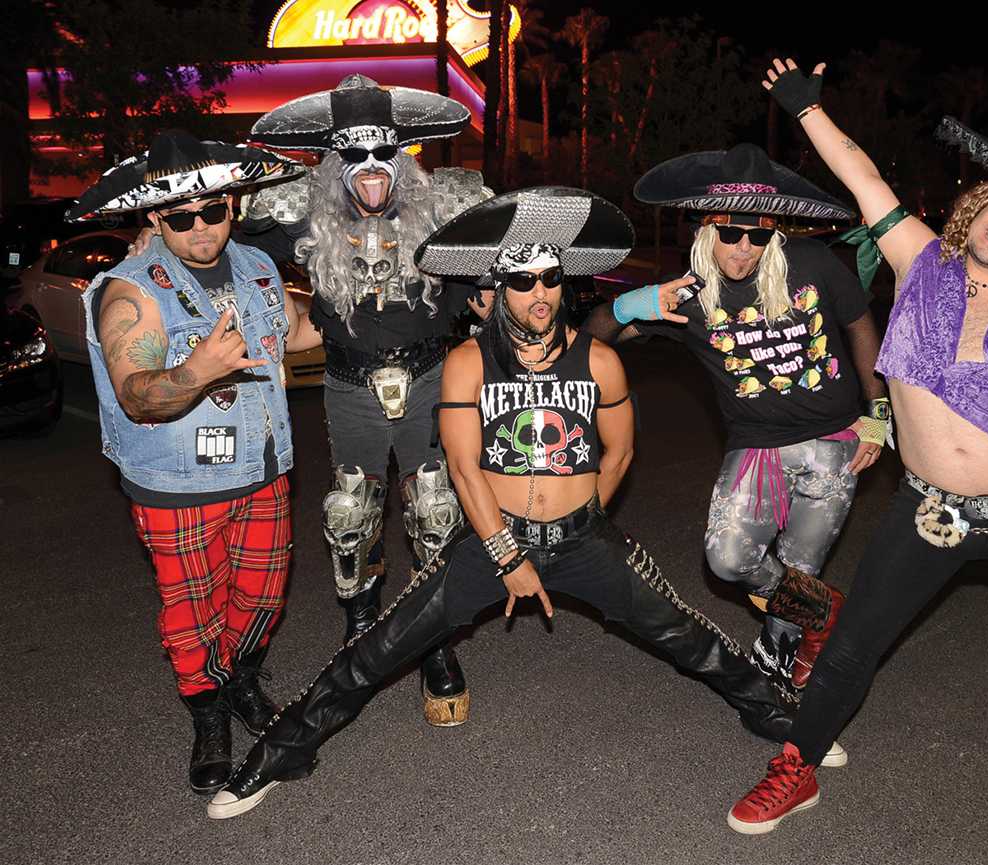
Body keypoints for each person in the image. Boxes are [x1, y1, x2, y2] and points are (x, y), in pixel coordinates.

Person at [204, 186, 844, 820]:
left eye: (550, 278)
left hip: (582, 539)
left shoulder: (598, 362)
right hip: (493, 541)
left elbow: (618, 454)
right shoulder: (466, 362)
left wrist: (581, 517)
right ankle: (281, 753)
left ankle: (787, 721)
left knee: (689, 638)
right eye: (523, 282)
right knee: (376, 651)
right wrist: (508, 554)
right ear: (495, 291)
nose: (539, 294)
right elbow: (462, 465)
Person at [725, 59, 988, 835]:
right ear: (980, 205)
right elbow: (864, 177)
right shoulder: (921, 262)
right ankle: (799, 766)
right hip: (929, 513)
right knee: (854, 646)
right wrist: (807, 110)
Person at [585, 143, 890, 695]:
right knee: (728, 560)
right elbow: (590, 340)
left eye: (759, 235)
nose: (744, 248)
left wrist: (879, 414)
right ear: (708, 228)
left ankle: (781, 657)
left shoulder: (814, 264)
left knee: (799, 567)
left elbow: (860, 324)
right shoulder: (688, 297)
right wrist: (635, 303)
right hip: (758, 446)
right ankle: (827, 616)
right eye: (731, 234)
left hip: (836, 443)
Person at [72, 130, 322, 794]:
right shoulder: (129, 291)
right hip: (176, 482)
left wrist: (371, 299)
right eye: (181, 216)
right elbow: (138, 394)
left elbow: (299, 333)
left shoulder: (259, 268)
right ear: (156, 218)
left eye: (213, 209)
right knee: (192, 613)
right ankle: (209, 715)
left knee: (263, 597)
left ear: (232, 206)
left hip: (265, 469)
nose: (200, 226)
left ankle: (237, 674)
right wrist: (195, 370)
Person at [242, 74, 495, 724]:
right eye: (354, 155)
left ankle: (434, 648)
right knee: (350, 517)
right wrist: (155, 242)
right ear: (334, 164)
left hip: (431, 382)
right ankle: (361, 638)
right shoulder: (299, 213)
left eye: (385, 152)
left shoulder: (444, 207)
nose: (372, 168)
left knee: (437, 515)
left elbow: (504, 256)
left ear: (403, 155)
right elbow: (221, 241)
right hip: (350, 385)